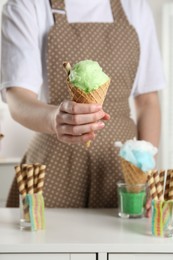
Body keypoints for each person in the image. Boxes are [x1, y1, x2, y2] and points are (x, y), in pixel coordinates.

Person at [0, 0, 165, 215]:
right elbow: (17, 97)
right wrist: (54, 119)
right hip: (52, 168)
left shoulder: (135, 7)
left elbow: (147, 102)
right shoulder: (27, 4)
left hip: (121, 167)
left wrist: (145, 170)